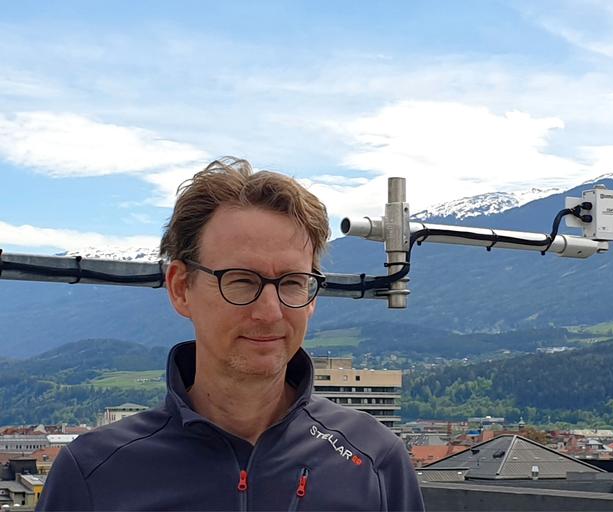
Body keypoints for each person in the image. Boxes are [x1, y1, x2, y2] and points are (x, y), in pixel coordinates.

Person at [37, 158, 424, 511]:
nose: (270, 312)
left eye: (291, 282)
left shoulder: (374, 461)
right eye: (240, 281)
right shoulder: (93, 473)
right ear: (180, 288)